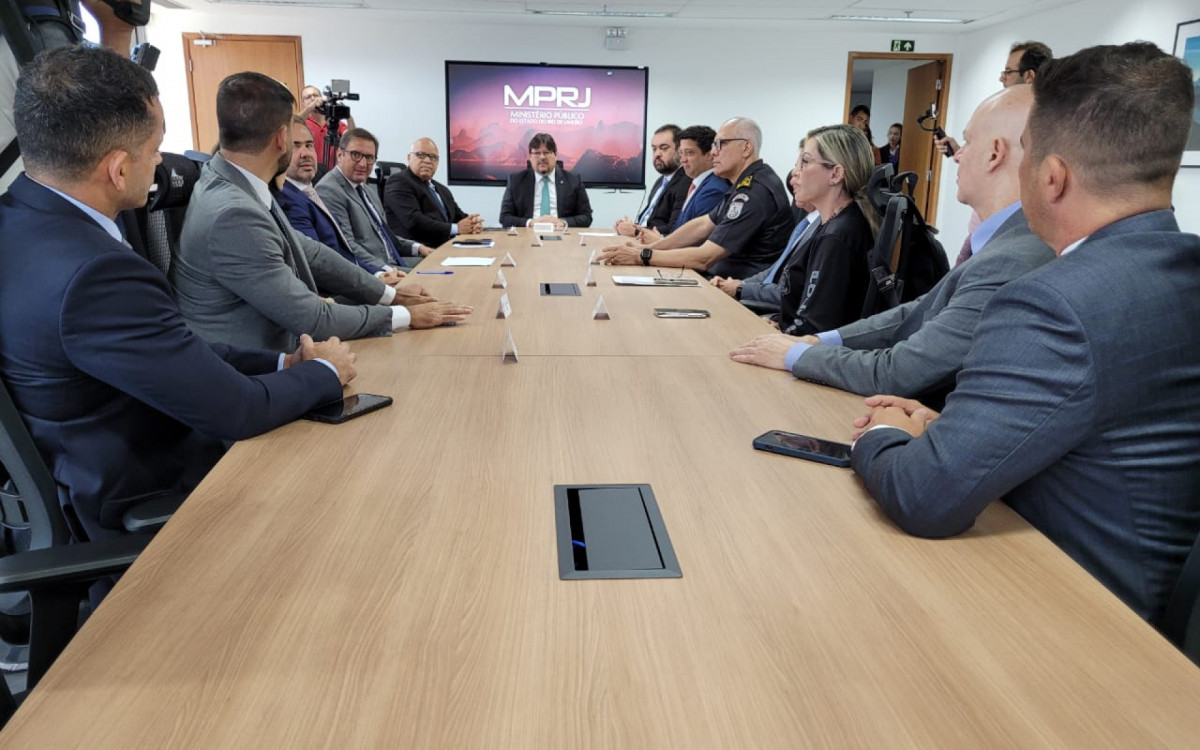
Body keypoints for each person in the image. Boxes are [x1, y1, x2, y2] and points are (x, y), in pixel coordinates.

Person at [850, 42, 1200, 626]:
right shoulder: (1177, 272)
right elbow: (1108, 423)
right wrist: (953, 427)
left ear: (1053, 177)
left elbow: (923, 496)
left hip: (1073, 612)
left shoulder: (1052, 303)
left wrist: (880, 435)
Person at [0, 46, 356, 541]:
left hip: (78, 476)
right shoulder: (96, 273)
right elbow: (238, 411)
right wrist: (325, 372)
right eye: (155, 149)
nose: (162, 164)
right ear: (119, 169)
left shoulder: (20, 220)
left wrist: (280, 365)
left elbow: (168, 349)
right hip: (144, 502)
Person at [729, 86, 1054, 409]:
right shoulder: (1003, 243)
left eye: (966, 142)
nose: (958, 154)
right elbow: (920, 308)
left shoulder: (1010, 257)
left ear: (995, 153)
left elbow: (900, 371)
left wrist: (797, 352)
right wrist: (818, 342)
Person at [174, 73, 471, 352]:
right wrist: (405, 315)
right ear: (281, 138)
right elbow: (312, 319)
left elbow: (312, 253)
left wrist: (391, 295)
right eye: (296, 139)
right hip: (258, 368)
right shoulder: (234, 213)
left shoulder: (241, 183)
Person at [596, 117, 794, 278]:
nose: (714, 152)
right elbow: (702, 225)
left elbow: (705, 257)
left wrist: (643, 255)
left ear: (746, 148)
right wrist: (649, 247)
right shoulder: (744, 182)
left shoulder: (753, 192)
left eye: (720, 144)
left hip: (736, 288)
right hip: (720, 278)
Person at [774, 124, 877, 335]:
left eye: (805, 162)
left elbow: (814, 326)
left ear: (836, 174)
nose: (795, 172)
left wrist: (781, 335)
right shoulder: (833, 223)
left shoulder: (837, 235)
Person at [276, 117, 396, 277]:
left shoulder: (309, 192)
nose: (305, 154)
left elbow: (342, 251)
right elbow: (320, 265)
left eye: (309, 145)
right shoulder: (288, 198)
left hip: (365, 274)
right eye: (295, 146)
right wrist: (377, 281)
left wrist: (378, 274)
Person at [710, 136, 818, 310]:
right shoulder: (808, 221)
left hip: (769, 309)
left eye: (803, 164)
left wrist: (740, 288)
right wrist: (740, 285)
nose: (793, 174)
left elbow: (801, 295)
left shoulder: (830, 230)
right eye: (796, 165)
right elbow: (778, 269)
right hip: (762, 297)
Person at [316, 128, 428, 268]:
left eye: (369, 158)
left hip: (395, 261)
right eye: (356, 154)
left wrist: (418, 248)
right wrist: (388, 270)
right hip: (375, 271)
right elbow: (348, 247)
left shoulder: (367, 190)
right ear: (340, 155)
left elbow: (385, 236)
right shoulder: (329, 190)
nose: (363, 164)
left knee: (443, 265)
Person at [938, 41, 1052, 156]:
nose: (1001, 78)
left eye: (1008, 72)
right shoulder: (1009, 112)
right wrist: (958, 151)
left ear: (1029, 76)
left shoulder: (1042, 120)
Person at [635, 124, 729, 243]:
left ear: (710, 155)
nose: (683, 159)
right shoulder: (697, 185)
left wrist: (660, 240)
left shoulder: (713, 190)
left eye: (689, 153)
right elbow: (680, 230)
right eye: (681, 153)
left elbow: (698, 244)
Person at [382, 137, 483, 247]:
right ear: (409, 158)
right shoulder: (399, 182)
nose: (427, 161)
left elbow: (458, 216)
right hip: (419, 252)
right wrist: (457, 228)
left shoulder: (442, 189)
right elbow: (414, 221)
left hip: (447, 247)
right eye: (421, 155)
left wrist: (473, 223)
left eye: (433, 157)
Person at [498, 132, 593, 229]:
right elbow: (504, 218)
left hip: (562, 236)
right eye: (537, 153)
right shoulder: (516, 181)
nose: (542, 157)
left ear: (555, 155)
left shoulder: (573, 180)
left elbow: (586, 217)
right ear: (530, 157)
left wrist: (563, 222)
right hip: (528, 235)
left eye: (546, 152)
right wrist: (530, 222)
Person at [614, 124, 688, 237]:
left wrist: (636, 231)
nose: (657, 154)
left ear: (680, 151)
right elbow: (650, 221)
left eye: (664, 148)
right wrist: (631, 227)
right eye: (654, 149)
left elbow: (675, 229)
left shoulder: (686, 182)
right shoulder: (660, 181)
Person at [300, 84, 354, 173]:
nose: (313, 99)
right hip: (309, 171)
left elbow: (352, 137)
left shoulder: (334, 121)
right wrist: (311, 107)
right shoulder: (303, 122)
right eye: (308, 97)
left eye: (316, 95)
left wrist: (348, 116)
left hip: (331, 172)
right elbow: (294, 123)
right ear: (303, 104)